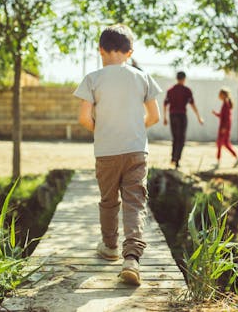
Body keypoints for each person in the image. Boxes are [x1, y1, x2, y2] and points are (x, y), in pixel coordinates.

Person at [73, 24, 161, 286]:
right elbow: (155, 117)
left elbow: (83, 118)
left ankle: (110, 246)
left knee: (109, 200)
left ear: (100, 50)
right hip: (136, 150)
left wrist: (101, 130)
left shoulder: (93, 78)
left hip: (106, 152)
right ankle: (132, 258)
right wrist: (135, 129)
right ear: (130, 52)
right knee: (135, 202)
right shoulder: (142, 77)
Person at [163, 71, 204, 169]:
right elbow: (193, 105)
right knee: (181, 139)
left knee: (175, 138)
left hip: (172, 116)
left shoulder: (170, 90)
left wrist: (164, 117)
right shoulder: (187, 90)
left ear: (177, 78)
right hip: (181, 116)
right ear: (184, 79)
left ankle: (173, 158)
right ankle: (177, 160)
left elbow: (165, 104)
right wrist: (199, 117)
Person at [212, 89, 238, 168]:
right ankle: (237, 158)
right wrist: (215, 114)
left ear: (223, 95)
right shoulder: (225, 103)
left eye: (220, 94)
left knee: (221, 144)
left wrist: (224, 128)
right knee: (224, 144)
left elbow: (227, 118)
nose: (219, 96)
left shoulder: (226, 103)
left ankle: (218, 162)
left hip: (224, 127)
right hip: (224, 127)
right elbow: (222, 115)